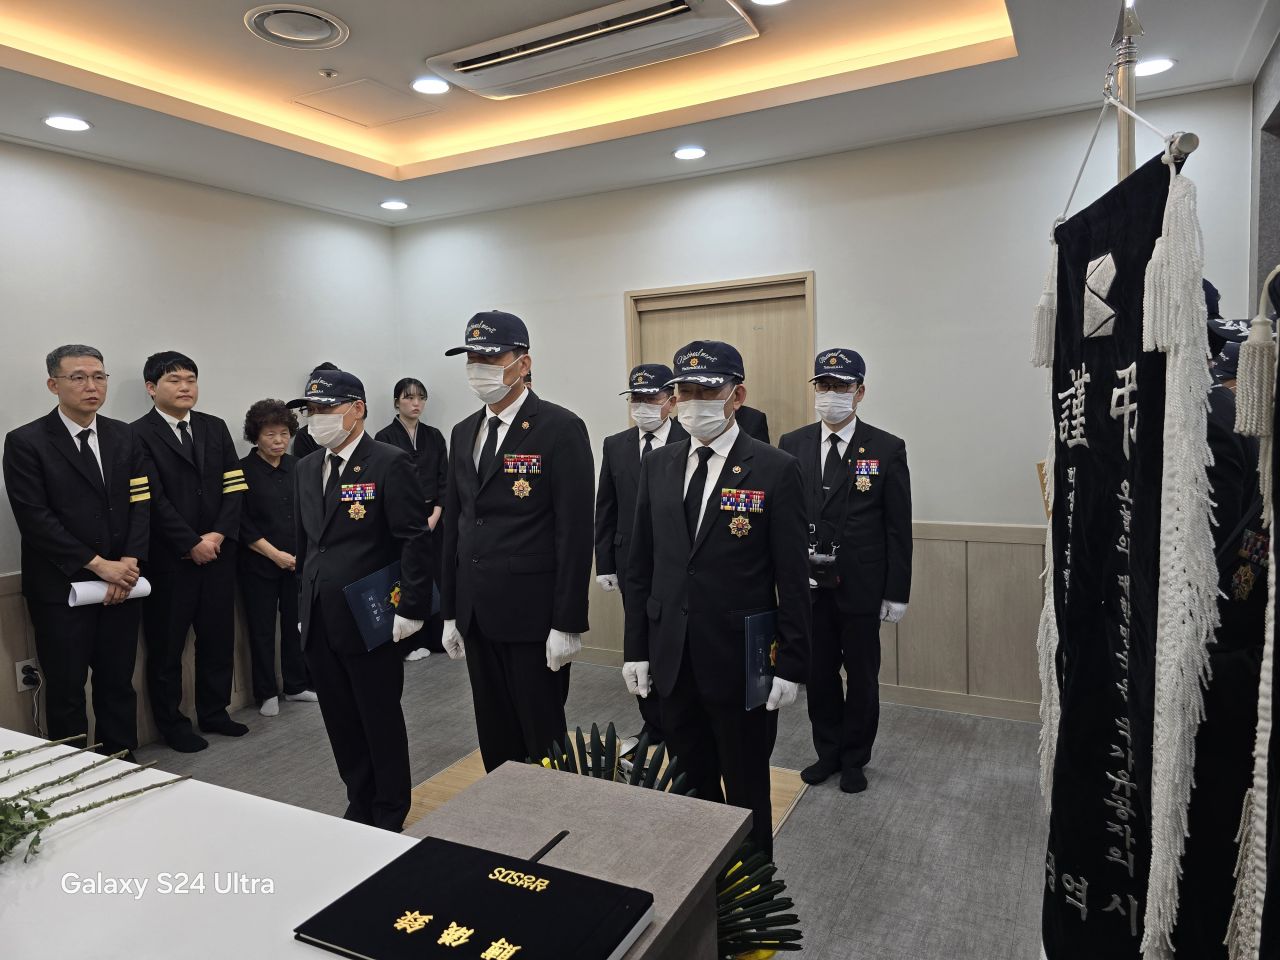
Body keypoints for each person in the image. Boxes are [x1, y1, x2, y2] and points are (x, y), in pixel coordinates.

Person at [623, 340, 810, 858]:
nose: (693, 402)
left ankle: (751, 895)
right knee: (690, 787)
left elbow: (793, 578)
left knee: (746, 791)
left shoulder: (775, 468)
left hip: (740, 661)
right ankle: (702, 889)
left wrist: (792, 664)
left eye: (707, 390)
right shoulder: (658, 465)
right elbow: (641, 566)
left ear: (737, 395)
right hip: (672, 657)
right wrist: (636, 648)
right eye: (684, 391)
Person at [439, 311, 594, 771]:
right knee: (495, 734)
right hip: (477, 611)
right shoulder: (463, 432)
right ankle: (501, 812)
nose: (478, 368)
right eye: (471, 358)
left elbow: (574, 531)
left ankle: (551, 816)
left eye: (490, 358)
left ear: (522, 363)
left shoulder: (560, 428)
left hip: (533, 615)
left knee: (541, 737)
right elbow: (457, 526)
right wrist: (450, 610)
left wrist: (568, 621)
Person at [289, 368, 433, 831]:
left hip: (370, 617)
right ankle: (359, 799)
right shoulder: (306, 466)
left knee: (378, 717)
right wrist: (302, 606)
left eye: (326, 408)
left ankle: (389, 808)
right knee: (340, 719)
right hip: (320, 616)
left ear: (357, 409)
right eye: (311, 410)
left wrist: (411, 607)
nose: (317, 418)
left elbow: (413, 539)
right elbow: (306, 544)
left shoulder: (389, 462)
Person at [3, 345, 150, 760]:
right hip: (61, 588)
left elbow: (141, 501)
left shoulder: (125, 435)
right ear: (54, 385)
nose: (92, 386)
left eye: (99, 376)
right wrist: (100, 566)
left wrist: (129, 562)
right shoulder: (26, 441)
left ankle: (122, 761)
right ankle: (75, 771)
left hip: (122, 582)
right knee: (67, 688)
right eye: (79, 377)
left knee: (117, 682)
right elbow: (35, 518)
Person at [779, 348, 912, 794]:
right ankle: (828, 753)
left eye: (842, 386)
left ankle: (855, 758)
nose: (831, 394)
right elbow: (784, 518)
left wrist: (897, 592)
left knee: (861, 676)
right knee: (818, 676)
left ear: (860, 392)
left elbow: (898, 527)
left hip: (862, 585)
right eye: (824, 385)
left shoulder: (887, 448)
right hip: (809, 587)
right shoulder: (792, 444)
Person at [133, 351, 247, 753]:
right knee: (167, 648)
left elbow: (234, 484)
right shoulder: (136, 434)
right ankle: (173, 724)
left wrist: (216, 535)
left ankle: (214, 711)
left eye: (191, 380)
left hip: (218, 554)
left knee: (217, 639)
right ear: (151, 388)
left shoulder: (214, 427)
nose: (185, 387)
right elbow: (151, 498)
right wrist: (190, 542)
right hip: (171, 560)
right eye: (174, 380)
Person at [594, 363, 687, 747]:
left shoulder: (689, 439)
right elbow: (606, 506)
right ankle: (652, 722)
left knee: (674, 643)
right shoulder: (615, 444)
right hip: (630, 562)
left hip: (676, 564)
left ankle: (678, 721)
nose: (643, 405)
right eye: (636, 398)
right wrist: (604, 562)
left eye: (651, 397)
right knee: (639, 642)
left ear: (671, 401)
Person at [238, 399, 316, 718]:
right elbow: (241, 522)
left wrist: (301, 555)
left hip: (298, 562)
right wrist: (275, 555)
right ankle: (266, 691)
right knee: (262, 629)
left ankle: (296, 685)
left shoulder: (299, 466)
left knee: (295, 626)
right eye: (270, 434)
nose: (278, 441)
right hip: (259, 563)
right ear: (256, 436)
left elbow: (311, 512)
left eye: (284, 433)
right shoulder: (242, 470)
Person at [374, 378, 448, 662]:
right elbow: (385, 483)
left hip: (434, 516)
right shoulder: (384, 437)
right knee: (407, 579)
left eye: (421, 398)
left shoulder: (434, 436)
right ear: (397, 402)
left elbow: (444, 479)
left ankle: (437, 637)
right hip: (402, 521)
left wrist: (436, 514)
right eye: (409, 398)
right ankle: (410, 641)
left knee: (438, 576)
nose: (416, 404)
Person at [291, 362, 341, 459]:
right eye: (310, 409)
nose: (316, 415)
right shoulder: (305, 435)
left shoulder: (349, 430)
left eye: (324, 407)